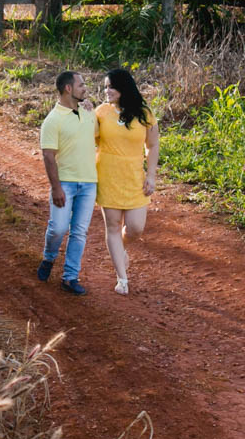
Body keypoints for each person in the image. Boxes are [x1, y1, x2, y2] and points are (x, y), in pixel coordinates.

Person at [95, 68, 159, 295]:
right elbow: (88, 137)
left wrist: (151, 175)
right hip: (108, 174)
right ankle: (122, 279)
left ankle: (120, 249)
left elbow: (152, 146)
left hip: (134, 177)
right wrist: (82, 114)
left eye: (110, 86)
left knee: (135, 228)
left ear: (123, 88)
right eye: (105, 87)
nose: (106, 91)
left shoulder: (144, 113)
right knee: (112, 226)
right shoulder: (101, 112)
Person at [36, 70, 98, 295]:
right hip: (66, 184)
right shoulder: (52, 121)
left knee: (79, 232)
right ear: (68, 89)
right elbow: (48, 156)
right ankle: (49, 258)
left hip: (89, 183)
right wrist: (56, 188)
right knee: (59, 228)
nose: (85, 88)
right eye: (81, 84)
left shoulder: (89, 113)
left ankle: (70, 277)